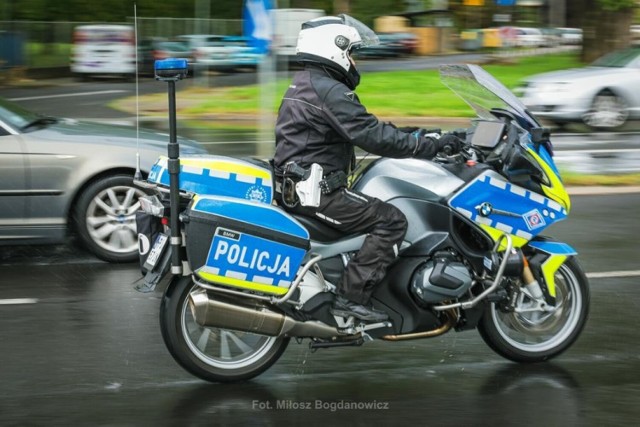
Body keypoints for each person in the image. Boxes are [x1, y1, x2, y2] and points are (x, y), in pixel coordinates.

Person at [272, 14, 462, 322]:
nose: (353, 62)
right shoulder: (330, 90)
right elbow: (372, 137)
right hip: (318, 194)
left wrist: (418, 133)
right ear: (334, 49)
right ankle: (350, 298)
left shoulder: (306, 83)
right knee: (392, 221)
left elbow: (365, 126)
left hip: (299, 186)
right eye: (351, 53)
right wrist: (426, 146)